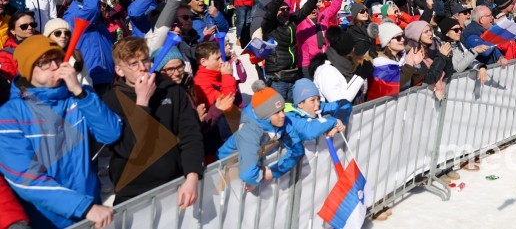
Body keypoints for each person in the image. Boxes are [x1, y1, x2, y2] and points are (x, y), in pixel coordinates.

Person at [0, 35, 122, 228]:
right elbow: (26, 179)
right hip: (47, 220)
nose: (55, 66)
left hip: (90, 213)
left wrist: (79, 91)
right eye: (45, 62)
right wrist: (84, 207)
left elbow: (111, 133)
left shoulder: (79, 96)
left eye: (57, 58)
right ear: (27, 70)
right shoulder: (9, 115)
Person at [102, 37, 204, 205]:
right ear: (119, 70)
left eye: (146, 60)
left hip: (176, 184)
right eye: (134, 64)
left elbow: (190, 134)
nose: (143, 68)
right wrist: (142, 102)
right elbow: (127, 148)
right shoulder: (110, 101)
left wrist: (192, 175)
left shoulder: (171, 90)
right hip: (133, 193)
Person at [216, 81, 304, 190]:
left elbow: (297, 149)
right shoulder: (249, 132)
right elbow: (248, 174)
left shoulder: (279, 121)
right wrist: (261, 176)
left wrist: (273, 172)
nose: (282, 115)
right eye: (277, 112)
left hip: (249, 164)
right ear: (265, 116)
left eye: (282, 110)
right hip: (224, 170)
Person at [259, 0, 323, 102]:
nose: (286, 11)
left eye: (288, 9)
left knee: (293, 109)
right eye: (282, 10)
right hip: (277, 77)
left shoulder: (292, 21)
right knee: (279, 110)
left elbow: (307, 8)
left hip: (293, 75)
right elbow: (269, 14)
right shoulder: (269, 26)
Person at [297, 0, 344, 79]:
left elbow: (335, 6)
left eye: (315, 7)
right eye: (310, 8)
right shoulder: (300, 24)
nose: (313, 10)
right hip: (309, 64)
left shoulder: (323, 18)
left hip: (327, 61)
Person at [311, 27, 373, 103]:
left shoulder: (345, 65)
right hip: (331, 114)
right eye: (352, 46)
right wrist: (359, 77)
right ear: (346, 49)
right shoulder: (326, 70)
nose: (354, 49)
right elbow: (338, 102)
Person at [366, 22, 424, 101]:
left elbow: (414, 82)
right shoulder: (379, 65)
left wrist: (415, 64)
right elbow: (392, 87)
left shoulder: (402, 59)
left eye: (403, 36)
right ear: (388, 42)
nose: (403, 39)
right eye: (398, 38)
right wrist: (409, 66)